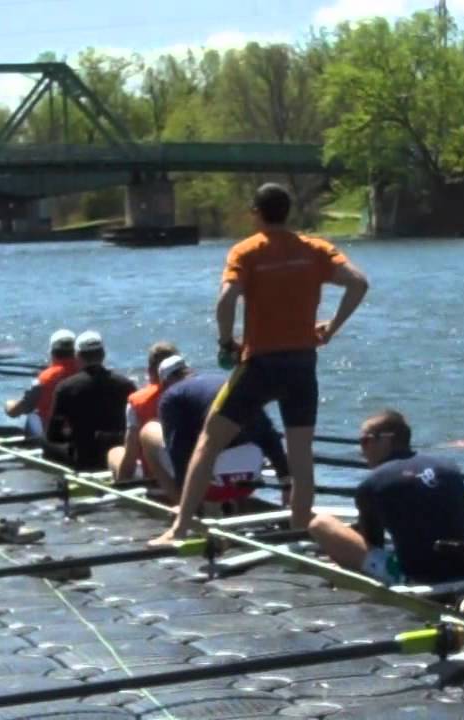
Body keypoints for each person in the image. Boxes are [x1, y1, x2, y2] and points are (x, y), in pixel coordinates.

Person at [153, 183, 369, 544]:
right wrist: (330, 329)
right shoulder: (316, 249)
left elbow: (226, 301)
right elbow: (359, 284)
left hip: (261, 364)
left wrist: (226, 342)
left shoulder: (247, 251)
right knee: (300, 455)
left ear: (256, 213)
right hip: (302, 364)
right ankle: (302, 528)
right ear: (289, 213)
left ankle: (181, 526)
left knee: (208, 442)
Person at [308, 410, 464, 585]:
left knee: (320, 524)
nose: (361, 451)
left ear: (386, 440)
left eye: (365, 441)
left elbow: (372, 544)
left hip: (415, 578)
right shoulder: (450, 469)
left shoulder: (373, 483)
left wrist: (342, 551)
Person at [142, 355, 291, 518]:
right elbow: (269, 435)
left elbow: (178, 449)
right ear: (189, 371)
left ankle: (183, 507)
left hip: (211, 487)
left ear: (165, 383)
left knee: (148, 431)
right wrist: (286, 482)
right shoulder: (227, 383)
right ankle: (237, 503)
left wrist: (187, 498)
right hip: (249, 481)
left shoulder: (171, 395)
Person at [44, 331, 136, 471]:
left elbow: (53, 435)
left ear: (77, 356)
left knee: (45, 443)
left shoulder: (65, 388)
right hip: (119, 451)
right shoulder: (126, 385)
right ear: (103, 355)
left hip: (84, 457)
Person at [107, 341, 179, 482]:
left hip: (154, 479)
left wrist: (122, 482)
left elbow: (130, 457)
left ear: (149, 370)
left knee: (115, 452)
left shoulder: (138, 401)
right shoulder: (192, 391)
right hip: (190, 473)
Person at [3, 329, 79, 440]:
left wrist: (7, 405)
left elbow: (14, 412)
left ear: (52, 352)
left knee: (32, 415)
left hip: (55, 436)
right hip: (82, 432)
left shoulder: (44, 379)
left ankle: (33, 445)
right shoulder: (87, 373)